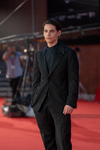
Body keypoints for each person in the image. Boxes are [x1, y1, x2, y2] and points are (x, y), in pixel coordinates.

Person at [31, 19, 79, 150]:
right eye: (46, 31)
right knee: (48, 141)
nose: (48, 34)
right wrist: (34, 100)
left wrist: (70, 102)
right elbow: (36, 80)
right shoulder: (39, 54)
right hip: (41, 104)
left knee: (63, 141)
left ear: (59, 33)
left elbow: (73, 80)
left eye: (51, 31)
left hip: (61, 104)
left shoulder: (69, 53)